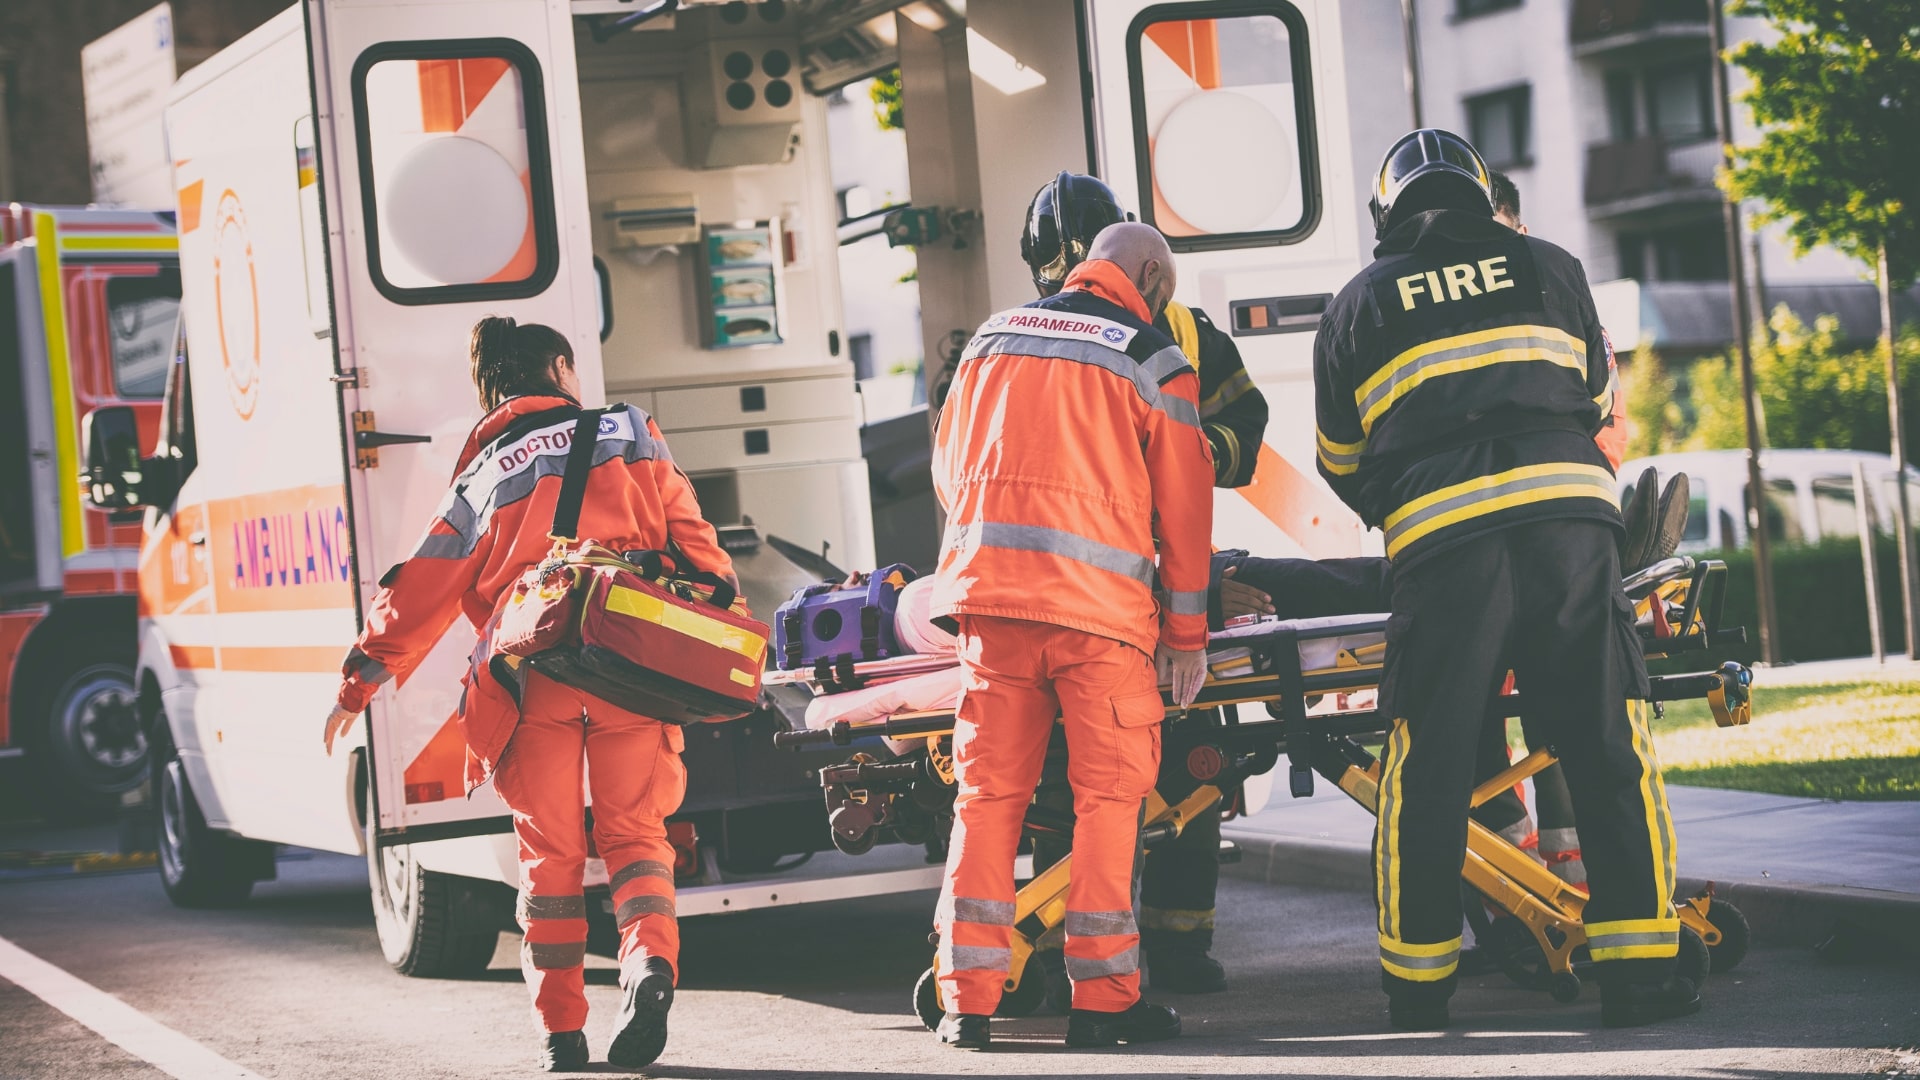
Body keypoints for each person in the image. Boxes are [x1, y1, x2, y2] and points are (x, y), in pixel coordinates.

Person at [1314, 129, 1695, 1030]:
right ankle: (1640, 971)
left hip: (1444, 547)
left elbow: (1340, 458)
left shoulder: (1358, 304)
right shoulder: (1552, 268)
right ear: (1482, 195)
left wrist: (1407, 499)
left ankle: (1418, 986)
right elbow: (1598, 404)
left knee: (1430, 758)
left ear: (1388, 212)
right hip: (1569, 530)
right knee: (1607, 741)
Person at [320, 317, 739, 1071]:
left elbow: (421, 590)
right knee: (638, 838)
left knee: (550, 860)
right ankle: (648, 965)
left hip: (531, 677)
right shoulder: (631, 432)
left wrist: (359, 682)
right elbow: (695, 540)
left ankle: (562, 1034)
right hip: (627, 661)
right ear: (558, 369)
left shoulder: (481, 474)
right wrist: (717, 607)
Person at [928, 222, 1211, 1049]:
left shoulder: (990, 338)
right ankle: (1104, 1002)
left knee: (985, 802)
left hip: (992, 612)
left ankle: (967, 1001)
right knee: (1108, 804)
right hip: (1100, 620)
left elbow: (951, 468)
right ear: (1150, 276)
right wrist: (1187, 636)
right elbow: (1186, 513)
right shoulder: (1153, 358)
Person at [1004, 171, 1269, 996]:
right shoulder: (1038, 328)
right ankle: (1051, 954)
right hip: (1094, 585)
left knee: (1189, 766)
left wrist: (1184, 455)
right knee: (1069, 784)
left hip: (1164, 570)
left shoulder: (1186, 331)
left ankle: (1180, 944)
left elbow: (1247, 430)